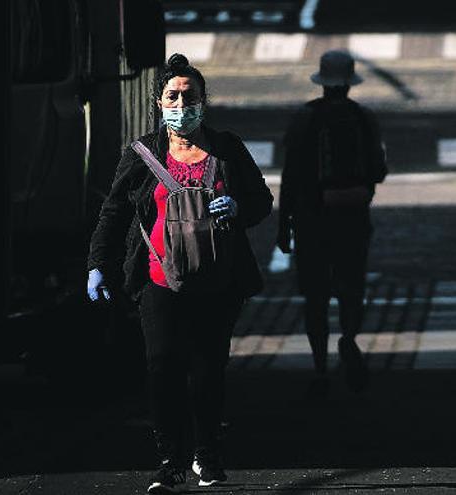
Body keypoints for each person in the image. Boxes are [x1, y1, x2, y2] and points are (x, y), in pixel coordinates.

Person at [86, 54, 273, 493]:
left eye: (190, 97)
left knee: (209, 368)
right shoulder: (142, 155)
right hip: (158, 280)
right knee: (162, 365)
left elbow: (261, 201)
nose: (181, 104)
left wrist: (239, 208)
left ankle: (206, 454)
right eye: (173, 96)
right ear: (159, 102)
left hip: (218, 281)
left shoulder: (227, 149)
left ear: (203, 102)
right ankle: (170, 459)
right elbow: (113, 212)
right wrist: (98, 264)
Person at [277, 50, 387, 397]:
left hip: (312, 219)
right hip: (353, 217)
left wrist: (284, 225)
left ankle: (320, 367)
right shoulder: (363, 117)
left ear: (322, 81)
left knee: (315, 296)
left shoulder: (305, 118)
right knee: (351, 286)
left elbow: (291, 174)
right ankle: (350, 337)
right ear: (350, 82)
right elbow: (379, 171)